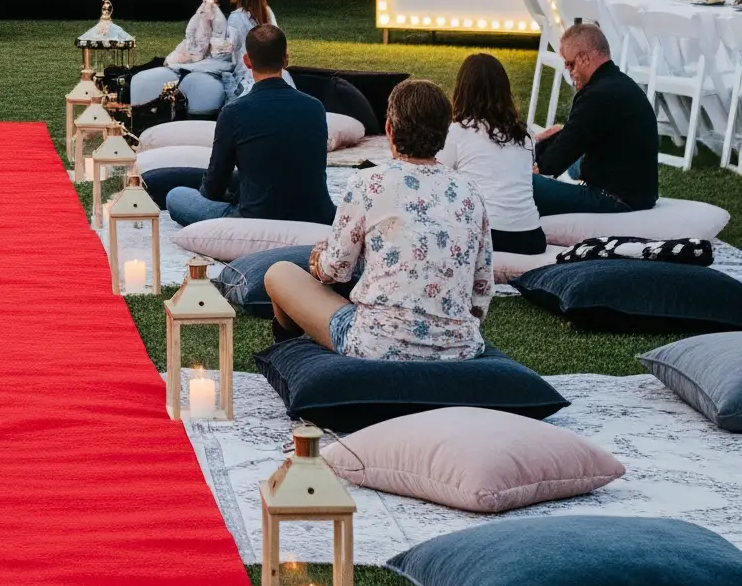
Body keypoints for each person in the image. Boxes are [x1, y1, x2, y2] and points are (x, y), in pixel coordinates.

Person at [264, 75, 492, 360]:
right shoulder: (470, 190)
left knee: (279, 273)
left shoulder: (367, 183)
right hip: (461, 348)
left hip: (376, 344)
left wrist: (318, 259)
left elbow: (336, 270)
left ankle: (289, 348)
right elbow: (482, 287)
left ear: (389, 129)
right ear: (445, 134)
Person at [155, 24, 336, 227]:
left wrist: (213, 197)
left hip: (254, 217)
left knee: (176, 196)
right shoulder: (315, 107)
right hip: (316, 214)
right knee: (248, 177)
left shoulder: (234, 112)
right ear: (286, 59)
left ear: (247, 61)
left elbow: (215, 185)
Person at [533, 22, 659, 215]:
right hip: (637, 191)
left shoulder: (596, 95)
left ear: (584, 58)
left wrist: (534, 166)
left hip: (615, 199)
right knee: (567, 153)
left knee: (524, 185)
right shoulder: (620, 83)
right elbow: (574, 135)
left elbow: (557, 159)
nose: (569, 71)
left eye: (570, 64)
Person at [130, 0, 276, 117]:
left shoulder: (236, 18)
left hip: (244, 79)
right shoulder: (267, 13)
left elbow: (225, 58)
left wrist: (187, 65)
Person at [439, 51, 546, 255]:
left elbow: (436, 177)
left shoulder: (457, 132)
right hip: (531, 237)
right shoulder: (525, 134)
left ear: (462, 90)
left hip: (488, 235)